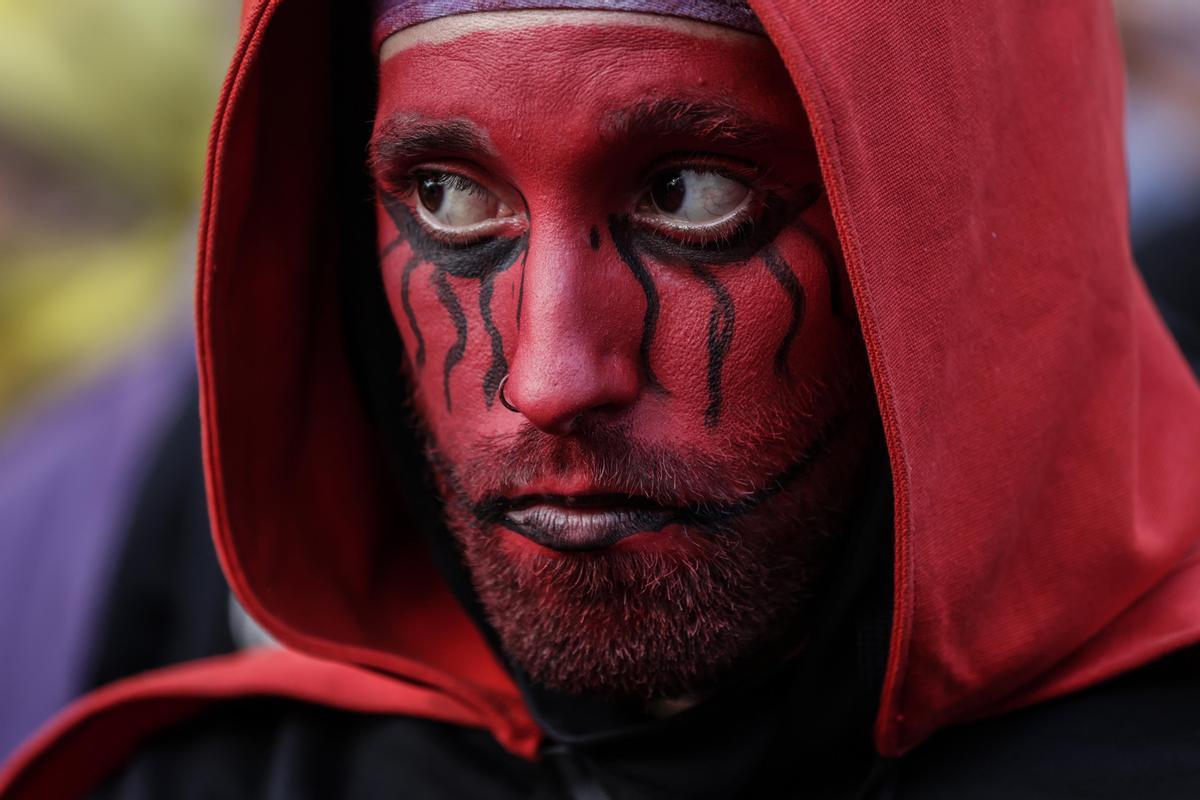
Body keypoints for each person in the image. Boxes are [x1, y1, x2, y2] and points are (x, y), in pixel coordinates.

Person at [3, 1, 1200, 797]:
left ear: (966, 229)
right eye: (449, 196)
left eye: (690, 193)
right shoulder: (240, 775)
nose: (549, 377)